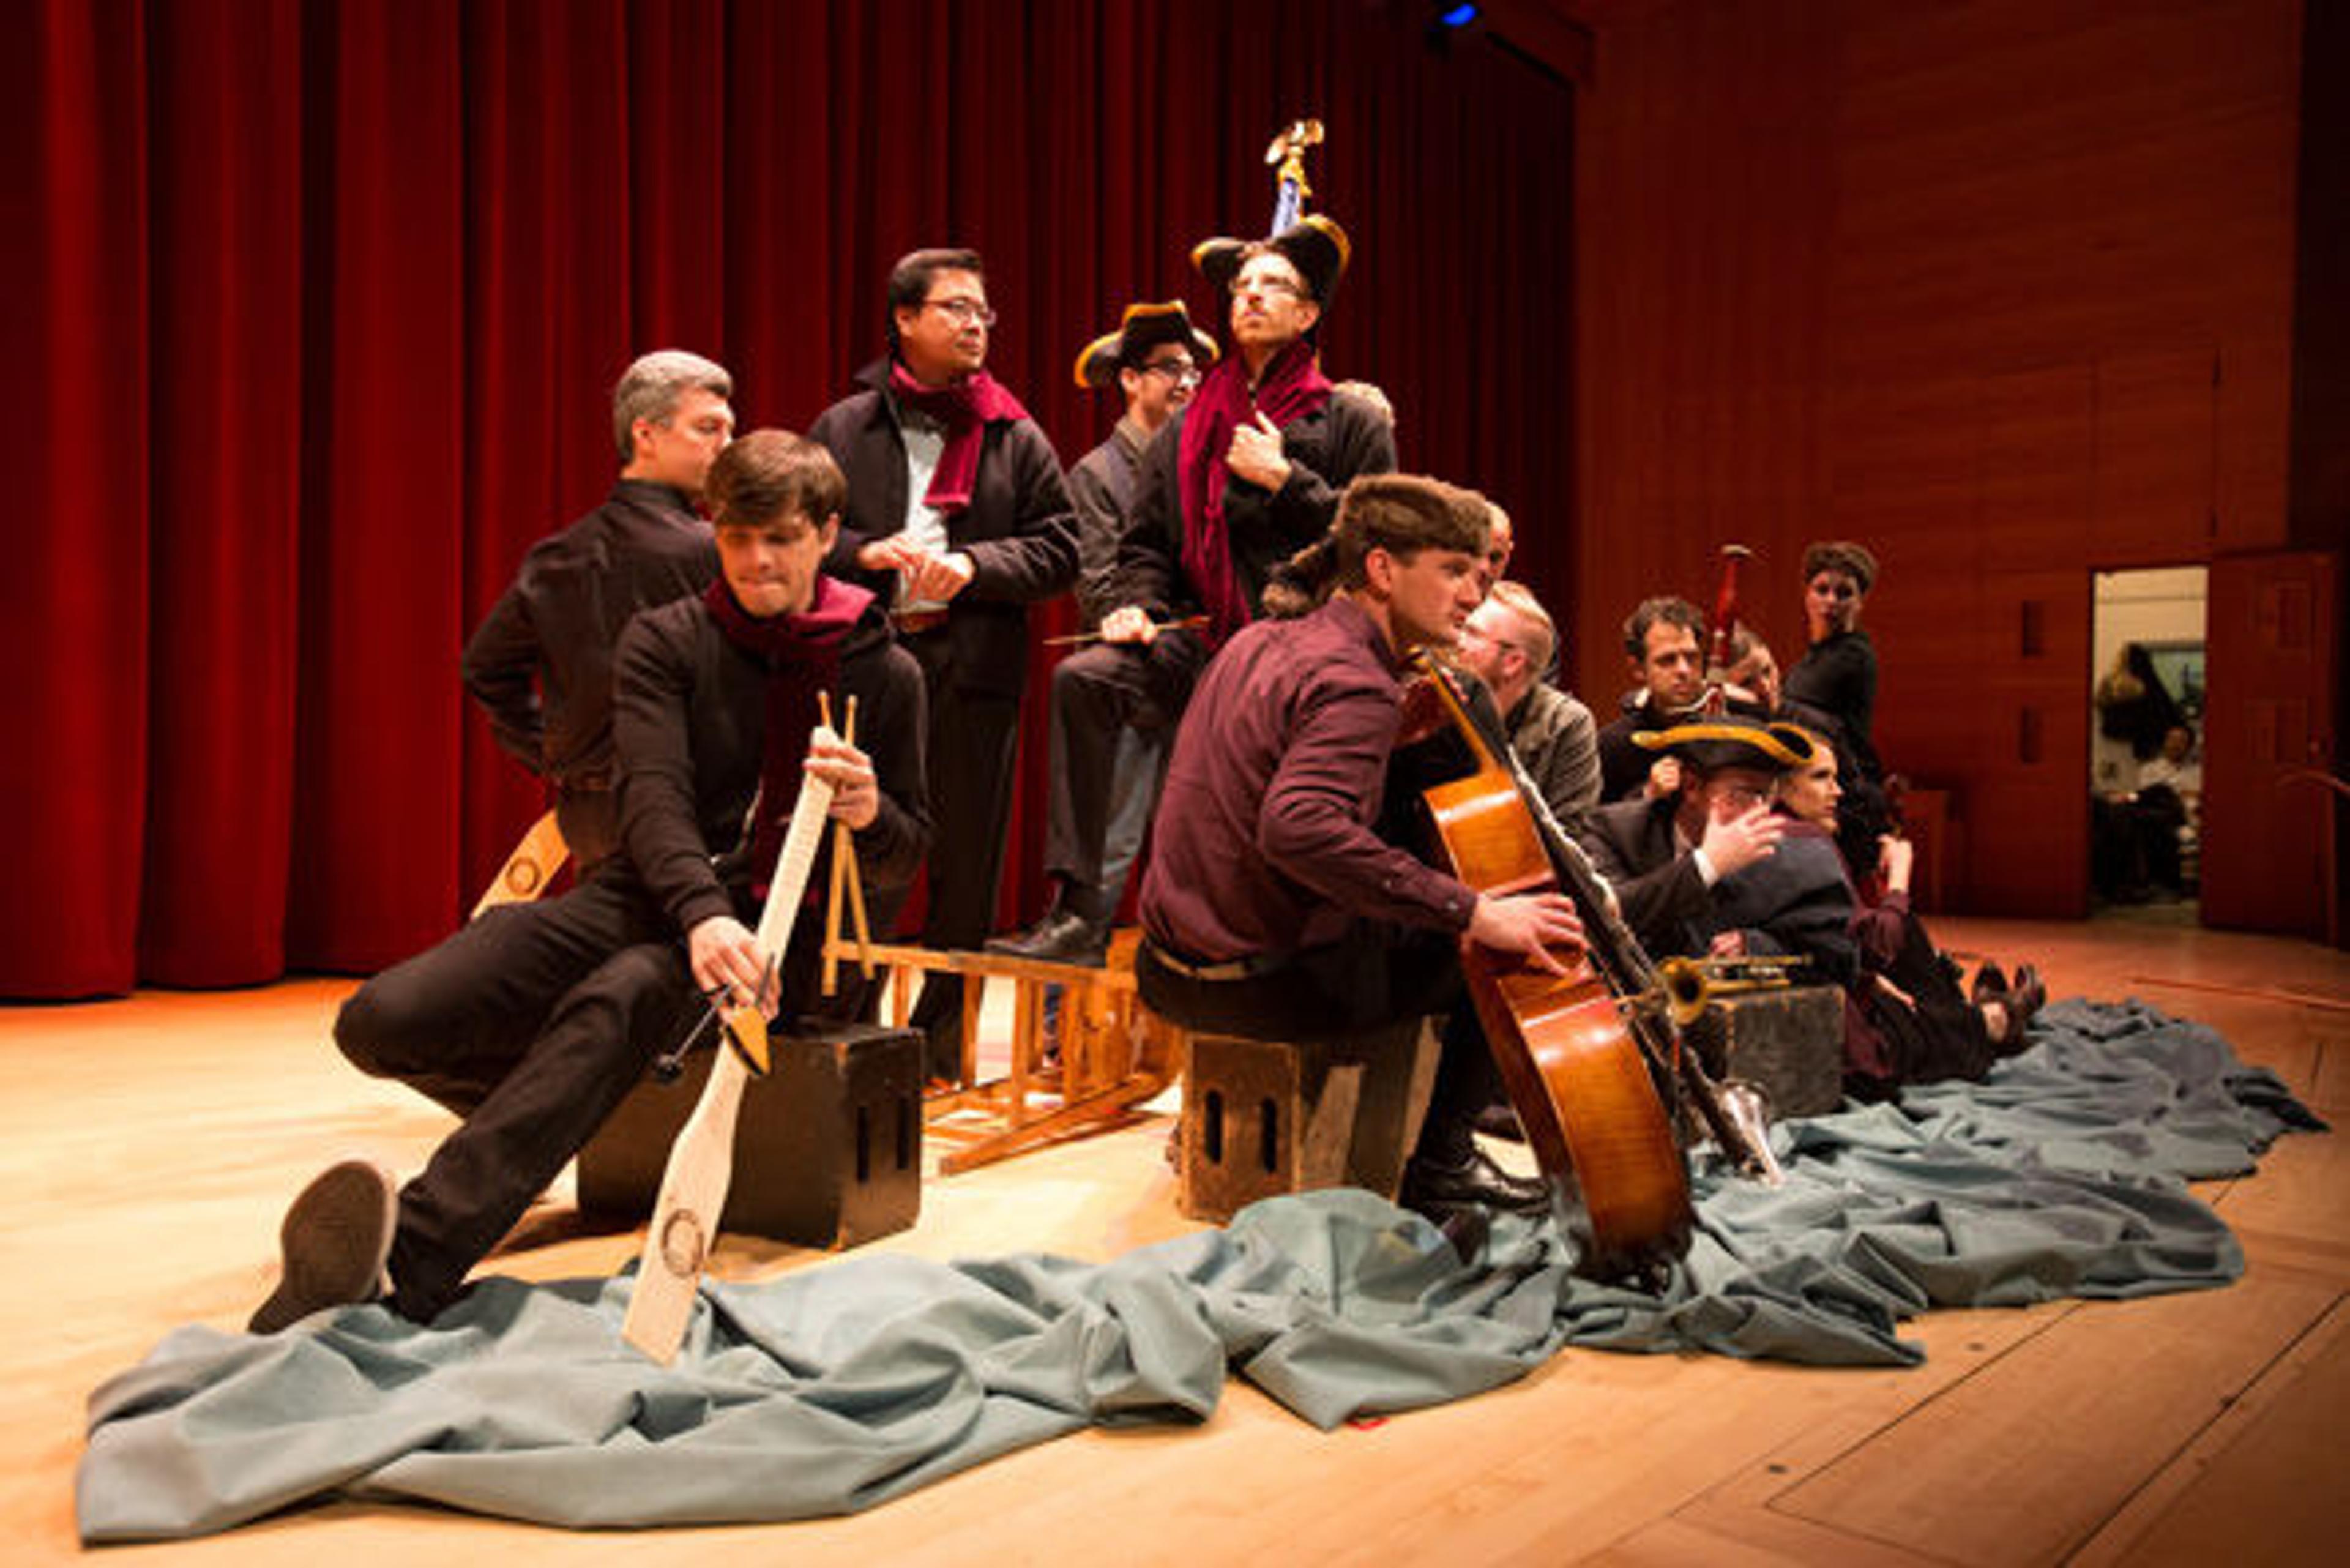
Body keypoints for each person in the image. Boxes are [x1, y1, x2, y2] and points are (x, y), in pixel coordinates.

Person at [252, 431, 931, 1332]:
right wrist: (696, 914)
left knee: (620, 999)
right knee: (385, 1016)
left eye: (781, 537)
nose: (757, 560)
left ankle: (399, 1269)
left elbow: (905, 851)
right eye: (736, 537)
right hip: (650, 896)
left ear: (826, 532)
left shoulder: (884, 670)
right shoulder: (668, 640)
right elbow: (652, 799)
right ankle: (565, 1117)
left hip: (780, 944)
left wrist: (870, 813)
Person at [1136, 474, 1587, 1218]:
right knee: (1502, 946)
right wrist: (1474, 912)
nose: (1473, 595)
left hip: (1168, 969)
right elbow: (1297, 827)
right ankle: (1443, 1166)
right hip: (1258, 988)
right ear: (1382, 570)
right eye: (1451, 570)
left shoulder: (1258, 640)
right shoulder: (1358, 682)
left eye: (1477, 573)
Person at [807, 248, 1078, 1075]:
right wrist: (866, 552)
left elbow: (1062, 548)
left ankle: (942, 1042)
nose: (974, 325)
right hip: (871, 666)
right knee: (861, 847)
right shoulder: (845, 426)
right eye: (956, 309)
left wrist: (975, 567)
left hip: (975, 670)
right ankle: (837, 1027)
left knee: (968, 863)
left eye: (982, 312)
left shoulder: (1014, 430)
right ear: (904, 319)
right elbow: (802, 534)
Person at [992, 302, 1218, 963]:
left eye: (1193, 371)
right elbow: (1095, 582)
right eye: (1169, 369)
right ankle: (1065, 1016)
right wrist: (1142, 614)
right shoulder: (1098, 474)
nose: (1186, 383)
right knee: (1110, 843)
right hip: (1133, 681)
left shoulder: (1207, 464)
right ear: (1129, 379)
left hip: (1197, 671)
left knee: (1190, 846)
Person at [461, 349, 736, 871]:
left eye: (729, 430)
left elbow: (484, 666)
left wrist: (553, 753)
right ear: (645, 435)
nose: (728, 447)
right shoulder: (713, 552)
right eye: (708, 429)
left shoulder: (557, 557)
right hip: (684, 809)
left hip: (588, 811)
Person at [1115, 215, 1397, 651]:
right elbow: (1146, 547)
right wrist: (1141, 608)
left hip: (1311, 632)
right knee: (1088, 677)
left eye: (1273, 284)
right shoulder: (1183, 428)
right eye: (1242, 286)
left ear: (1306, 315)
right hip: (1204, 634)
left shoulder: (1354, 420)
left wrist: (1286, 482)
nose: (1251, 293)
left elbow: (1380, 537)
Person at [1777, 734, 2043, 1088]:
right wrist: (1900, 875)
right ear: (1781, 786)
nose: (1837, 792)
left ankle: (1987, 1012)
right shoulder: (1803, 842)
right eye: (1821, 777)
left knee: (1909, 976)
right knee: (1903, 940)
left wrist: (1868, 978)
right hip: (1855, 1046)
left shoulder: (1782, 834)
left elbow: (1817, 941)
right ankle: (2000, 1015)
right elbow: (1877, 943)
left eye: (1836, 778)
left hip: (1832, 991)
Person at [1574, 720, 1848, 978]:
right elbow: (1602, 917)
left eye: (1765, 796)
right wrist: (1707, 865)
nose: (1758, 811)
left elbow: (1840, 956)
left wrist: (1755, 947)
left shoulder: (1794, 854)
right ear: (1692, 786)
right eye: (1741, 794)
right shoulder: (1614, 832)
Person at [1454, 579, 1600, 835]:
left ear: (1513, 662)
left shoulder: (1565, 723)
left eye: (1473, 633)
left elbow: (1572, 834)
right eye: (1460, 628)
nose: (1457, 642)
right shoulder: (1437, 703)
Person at [1784, 540, 1893, 869]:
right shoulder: (1813, 659)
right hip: (1826, 786)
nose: (1830, 600)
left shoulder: (1852, 655)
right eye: (1822, 589)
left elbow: (1787, 706)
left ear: (1860, 603)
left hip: (1849, 795)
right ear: (1806, 595)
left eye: (1844, 593)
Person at [1594, 597, 1712, 802]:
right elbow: (1596, 827)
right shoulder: (1612, 746)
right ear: (1638, 669)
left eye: (1692, 657)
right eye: (1667, 660)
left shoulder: (1736, 725)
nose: (1684, 670)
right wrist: (1647, 795)